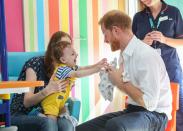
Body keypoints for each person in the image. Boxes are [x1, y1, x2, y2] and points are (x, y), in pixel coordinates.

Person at [76, 10, 172, 131]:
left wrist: (120, 81)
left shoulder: (146, 55)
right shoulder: (124, 55)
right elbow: (129, 89)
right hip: (133, 110)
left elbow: (150, 104)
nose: (105, 40)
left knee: (115, 125)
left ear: (116, 30)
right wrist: (114, 78)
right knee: (81, 129)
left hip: (156, 115)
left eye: (105, 34)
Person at [10, 31, 106, 131]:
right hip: (21, 114)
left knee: (66, 125)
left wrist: (98, 65)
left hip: (45, 111)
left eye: (69, 46)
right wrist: (47, 91)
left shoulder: (66, 68)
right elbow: (27, 102)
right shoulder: (35, 63)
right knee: (49, 123)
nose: (68, 48)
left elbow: (81, 69)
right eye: (62, 45)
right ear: (53, 49)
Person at [132, 0, 183, 130]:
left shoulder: (173, 12)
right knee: (149, 108)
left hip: (171, 70)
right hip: (147, 72)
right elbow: (131, 48)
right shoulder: (138, 17)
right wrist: (143, 42)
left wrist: (165, 39)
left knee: (177, 108)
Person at [41, 40, 107, 121]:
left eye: (75, 53)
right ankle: (41, 115)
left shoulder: (71, 67)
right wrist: (96, 70)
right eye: (73, 54)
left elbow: (84, 68)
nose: (77, 55)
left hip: (59, 103)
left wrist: (98, 64)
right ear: (63, 60)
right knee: (52, 124)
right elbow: (77, 74)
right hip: (52, 104)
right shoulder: (62, 69)